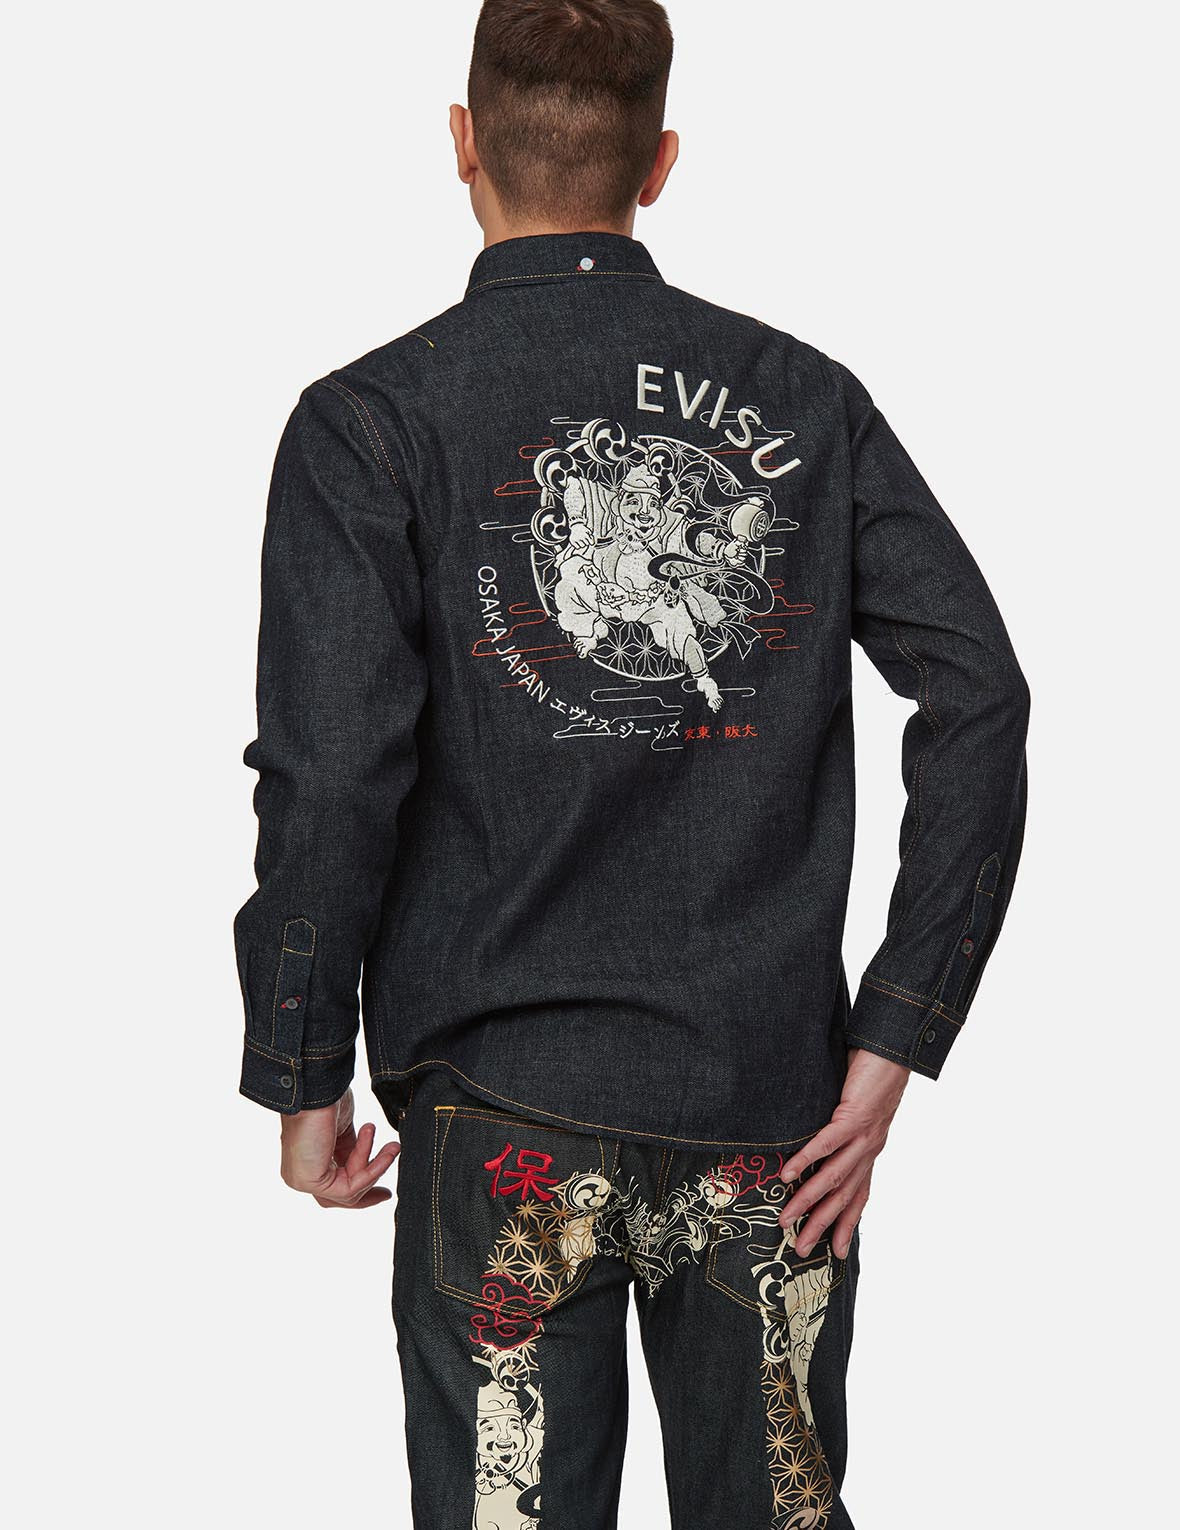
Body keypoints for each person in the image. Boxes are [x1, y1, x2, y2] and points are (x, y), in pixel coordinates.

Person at [233, 3, 1030, 1526]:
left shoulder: (370, 424)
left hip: (499, 1122)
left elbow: (330, 778)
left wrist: (301, 1070)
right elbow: (982, 693)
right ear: (660, 162)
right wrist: (895, 1038)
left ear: (460, 143)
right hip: (770, 1114)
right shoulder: (803, 400)